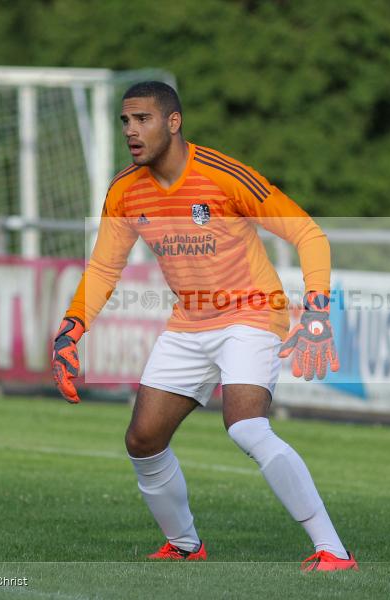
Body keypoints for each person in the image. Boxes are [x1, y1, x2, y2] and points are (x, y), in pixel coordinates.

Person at [50, 81, 357, 572]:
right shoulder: (125, 191)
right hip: (190, 321)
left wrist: (317, 310)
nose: (131, 131)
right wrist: (71, 330)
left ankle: (333, 551)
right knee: (143, 439)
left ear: (173, 122)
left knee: (245, 425)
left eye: (142, 119)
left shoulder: (222, 174)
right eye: (125, 121)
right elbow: (104, 268)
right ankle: (185, 544)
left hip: (254, 313)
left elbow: (307, 232)